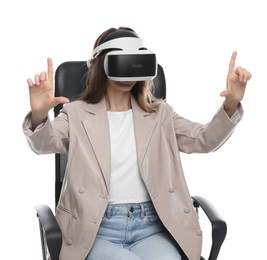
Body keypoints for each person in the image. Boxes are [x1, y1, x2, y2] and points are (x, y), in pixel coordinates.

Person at [23, 27, 252, 260]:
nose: (130, 73)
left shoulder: (160, 114)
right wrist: (40, 115)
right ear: (101, 65)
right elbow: (44, 143)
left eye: (137, 63)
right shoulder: (76, 113)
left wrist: (231, 104)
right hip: (95, 229)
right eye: (122, 62)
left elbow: (204, 140)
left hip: (151, 227)